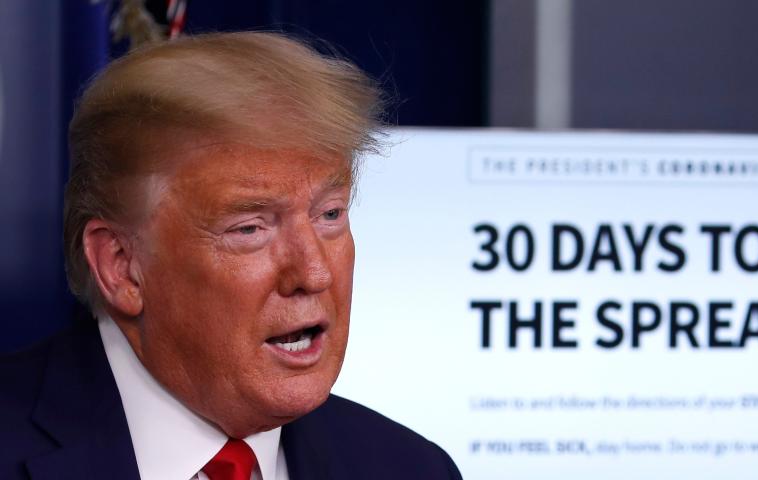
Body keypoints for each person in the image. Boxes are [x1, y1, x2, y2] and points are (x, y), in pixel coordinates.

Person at [0, 31, 462, 480]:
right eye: (250, 228)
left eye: (330, 214)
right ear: (122, 265)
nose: (315, 272)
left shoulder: (410, 467)